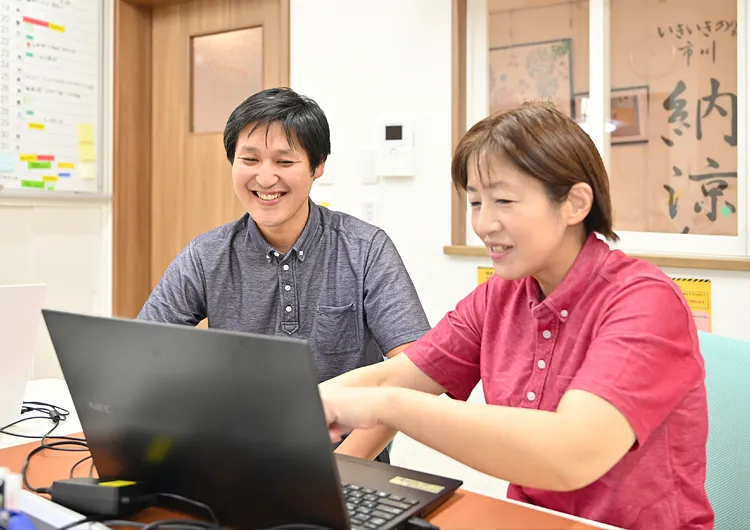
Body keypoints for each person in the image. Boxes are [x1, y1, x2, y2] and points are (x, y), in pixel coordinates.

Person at [318, 102, 714, 530]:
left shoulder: (644, 301)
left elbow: (572, 453)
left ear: (575, 204)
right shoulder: (500, 296)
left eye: (504, 200)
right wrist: (286, 407)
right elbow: (390, 377)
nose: (484, 223)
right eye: (475, 202)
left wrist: (389, 406)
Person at [138, 87, 431, 463]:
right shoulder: (206, 255)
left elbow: (416, 372)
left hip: (347, 460)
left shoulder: (365, 248)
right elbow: (144, 355)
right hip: (234, 457)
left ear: (318, 165)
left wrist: (345, 469)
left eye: (284, 162)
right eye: (249, 159)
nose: (265, 177)